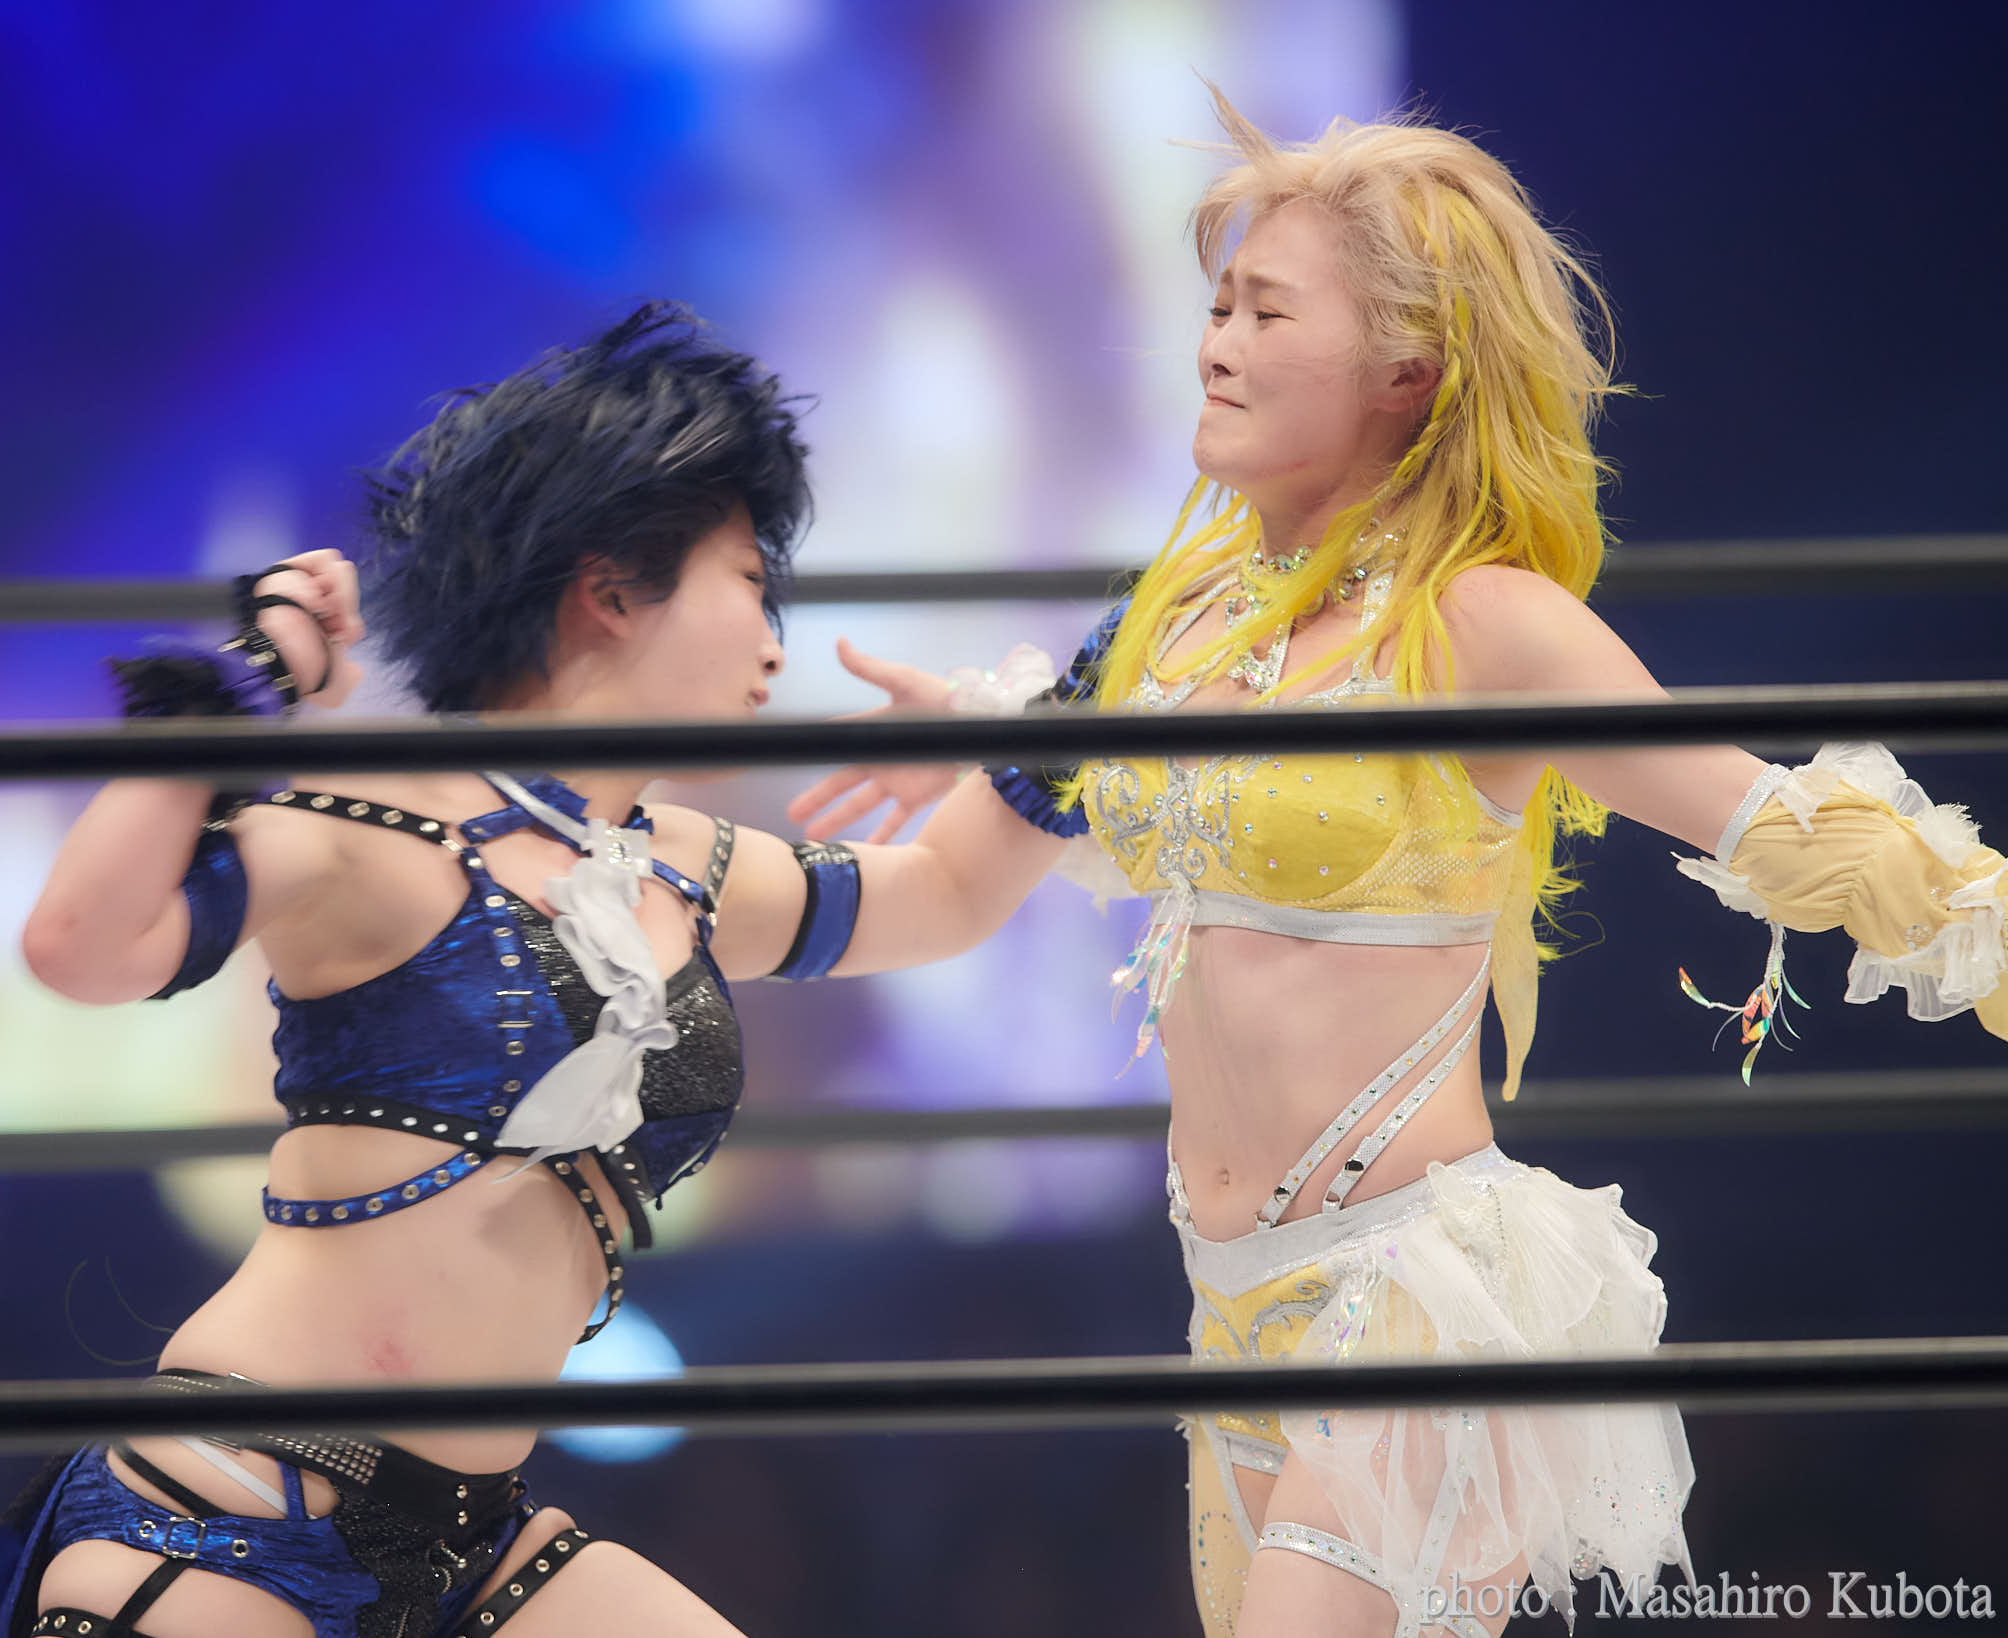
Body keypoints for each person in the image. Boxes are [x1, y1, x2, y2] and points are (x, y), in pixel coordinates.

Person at [789, 94, 2008, 1637]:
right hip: (1231, 1316)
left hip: (1418, 1299)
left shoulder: (1486, 627)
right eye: (1217, 306)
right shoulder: (1170, 626)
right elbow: (953, 887)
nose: (1217, 343)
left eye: (1268, 310)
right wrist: (672, 878)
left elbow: (1778, 828)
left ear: (1407, 369)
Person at [0, 303, 1068, 1638]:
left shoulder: (689, 866)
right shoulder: (381, 824)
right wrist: (242, 691)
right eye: (748, 581)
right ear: (612, 589)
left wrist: (1051, 721)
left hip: (467, 1536)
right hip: (228, 1512)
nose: (777, 641)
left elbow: (944, 894)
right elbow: (80, 945)